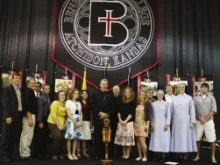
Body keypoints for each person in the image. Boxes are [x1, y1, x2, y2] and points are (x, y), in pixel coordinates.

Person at [170, 83, 197, 162]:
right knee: (178, 138)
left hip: (186, 122)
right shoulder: (174, 99)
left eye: (182, 87)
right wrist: (170, 122)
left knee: (185, 138)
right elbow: (171, 111)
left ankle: (185, 154)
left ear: (184, 88)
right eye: (179, 87)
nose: (181, 88)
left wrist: (192, 122)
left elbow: (192, 110)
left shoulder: (189, 98)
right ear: (178, 88)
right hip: (177, 122)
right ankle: (179, 154)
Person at [0, 73, 23, 163]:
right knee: (6, 137)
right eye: (16, 78)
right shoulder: (7, 88)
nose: (17, 80)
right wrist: (7, 116)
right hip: (9, 117)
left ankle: (10, 154)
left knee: (13, 137)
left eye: (19, 78)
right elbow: (5, 104)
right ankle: (3, 155)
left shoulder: (19, 90)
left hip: (17, 116)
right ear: (12, 79)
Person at [193, 83, 217, 163]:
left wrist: (205, 119)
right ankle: (197, 156)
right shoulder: (196, 98)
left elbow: (214, 110)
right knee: (197, 139)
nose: (204, 89)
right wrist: (200, 118)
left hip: (209, 122)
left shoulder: (212, 98)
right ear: (200, 88)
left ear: (208, 89)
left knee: (212, 140)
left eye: (205, 87)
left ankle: (213, 157)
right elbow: (194, 111)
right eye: (202, 87)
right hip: (199, 122)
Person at [91, 79, 115, 159]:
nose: (104, 85)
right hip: (98, 118)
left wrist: (107, 114)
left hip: (107, 119)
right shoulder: (94, 94)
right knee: (97, 136)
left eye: (105, 84)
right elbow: (93, 106)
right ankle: (98, 154)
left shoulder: (111, 95)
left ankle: (107, 153)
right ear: (100, 84)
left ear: (107, 85)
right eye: (103, 84)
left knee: (107, 136)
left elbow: (113, 107)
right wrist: (100, 113)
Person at [149, 90, 171, 162]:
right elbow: (151, 116)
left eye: (161, 95)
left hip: (164, 125)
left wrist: (167, 124)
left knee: (164, 140)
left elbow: (169, 115)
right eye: (159, 94)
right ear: (157, 95)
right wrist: (152, 125)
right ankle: (157, 156)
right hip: (156, 125)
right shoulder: (153, 104)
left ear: (163, 95)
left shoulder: (166, 104)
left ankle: (164, 156)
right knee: (156, 140)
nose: (160, 96)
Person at [114, 87, 136, 159]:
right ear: (124, 93)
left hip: (128, 122)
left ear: (131, 93)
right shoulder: (121, 101)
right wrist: (120, 120)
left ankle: (128, 154)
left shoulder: (133, 101)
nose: (127, 93)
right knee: (123, 139)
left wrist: (125, 121)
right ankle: (124, 153)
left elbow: (132, 112)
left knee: (128, 139)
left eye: (129, 92)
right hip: (120, 122)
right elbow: (118, 111)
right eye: (126, 92)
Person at [20, 78, 38, 159]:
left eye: (34, 83)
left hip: (29, 115)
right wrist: (30, 118)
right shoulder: (27, 93)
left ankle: (24, 152)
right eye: (32, 83)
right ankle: (25, 154)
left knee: (25, 135)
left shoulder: (30, 92)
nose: (33, 84)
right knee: (27, 135)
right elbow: (27, 107)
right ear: (27, 84)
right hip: (29, 116)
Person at [47, 90, 67, 160]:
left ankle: (61, 153)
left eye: (64, 95)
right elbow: (53, 115)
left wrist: (64, 125)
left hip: (63, 123)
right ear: (58, 96)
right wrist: (59, 125)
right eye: (61, 95)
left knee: (64, 138)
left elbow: (67, 116)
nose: (62, 96)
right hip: (53, 123)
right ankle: (54, 154)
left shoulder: (65, 104)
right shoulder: (55, 103)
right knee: (57, 137)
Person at [65, 89, 83, 160]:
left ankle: (73, 153)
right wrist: (74, 122)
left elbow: (81, 113)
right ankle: (69, 153)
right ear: (72, 94)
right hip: (71, 120)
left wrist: (80, 121)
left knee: (75, 138)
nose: (76, 94)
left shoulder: (79, 103)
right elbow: (68, 113)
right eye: (75, 93)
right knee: (70, 137)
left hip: (78, 120)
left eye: (77, 93)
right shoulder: (68, 102)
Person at [134, 89, 152, 162]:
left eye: (143, 95)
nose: (141, 96)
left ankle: (145, 156)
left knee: (142, 141)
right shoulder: (137, 103)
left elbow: (149, 115)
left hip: (143, 124)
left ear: (145, 96)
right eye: (140, 94)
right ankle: (140, 156)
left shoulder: (147, 103)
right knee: (138, 141)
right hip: (136, 124)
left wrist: (147, 125)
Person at [34, 84, 51, 158]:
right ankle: (37, 153)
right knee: (39, 137)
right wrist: (40, 121)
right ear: (42, 90)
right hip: (42, 119)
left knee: (45, 137)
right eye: (45, 89)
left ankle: (43, 152)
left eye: (48, 89)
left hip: (47, 119)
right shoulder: (41, 98)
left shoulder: (48, 97)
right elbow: (40, 110)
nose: (47, 90)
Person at [79, 90, 92, 158]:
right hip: (79, 121)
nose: (85, 94)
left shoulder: (90, 102)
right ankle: (77, 152)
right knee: (78, 137)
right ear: (81, 95)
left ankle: (84, 152)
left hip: (87, 121)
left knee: (85, 138)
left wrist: (91, 123)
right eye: (83, 93)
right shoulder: (78, 102)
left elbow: (91, 113)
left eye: (86, 93)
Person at [112, 85, 121, 157]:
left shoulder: (122, 98)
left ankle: (119, 153)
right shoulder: (110, 98)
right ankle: (111, 152)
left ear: (119, 90)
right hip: (111, 119)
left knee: (119, 136)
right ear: (112, 90)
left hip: (120, 120)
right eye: (115, 89)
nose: (116, 91)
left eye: (117, 89)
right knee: (112, 136)